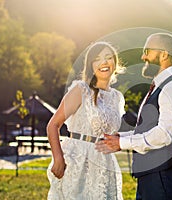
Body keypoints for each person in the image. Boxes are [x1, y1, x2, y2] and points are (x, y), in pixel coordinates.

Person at [96, 33, 172, 200]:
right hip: (153, 175)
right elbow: (148, 129)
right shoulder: (161, 86)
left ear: (164, 54)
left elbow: (164, 135)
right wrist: (120, 137)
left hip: (162, 176)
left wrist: (123, 143)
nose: (143, 56)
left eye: (147, 50)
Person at [46, 41, 125, 200]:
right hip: (77, 160)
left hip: (105, 163)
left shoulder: (117, 97)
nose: (103, 62)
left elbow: (112, 131)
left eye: (108, 57)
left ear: (115, 63)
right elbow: (53, 125)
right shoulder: (81, 89)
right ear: (91, 65)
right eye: (97, 59)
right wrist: (58, 158)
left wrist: (118, 143)